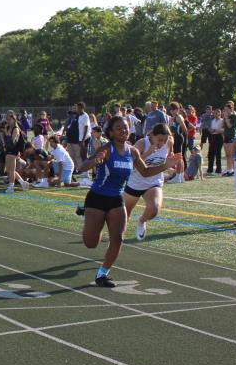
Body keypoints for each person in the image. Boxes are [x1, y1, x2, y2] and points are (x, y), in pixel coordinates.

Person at [73, 116, 181, 287]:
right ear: (110, 132)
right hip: (97, 198)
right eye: (119, 128)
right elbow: (82, 167)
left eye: (125, 127)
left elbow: (145, 172)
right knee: (91, 243)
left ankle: (102, 274)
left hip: (117, 198)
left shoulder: (133, 151)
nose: (123, 130)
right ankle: (87, 214)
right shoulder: (106, 149)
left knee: (117, 239)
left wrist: (166, 165)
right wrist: (94, 160)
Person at [123, 123, 173, 241]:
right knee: (124, 215)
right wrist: (148, 153)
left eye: (164, 140)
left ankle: (141, 221)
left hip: (154, 182)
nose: (162, 143)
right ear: (152, 135)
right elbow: (130, 164)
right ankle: (117, 238)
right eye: (159, 140)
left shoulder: (169, 142)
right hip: (135, 183)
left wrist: (171, 165)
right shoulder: (141, 143)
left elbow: (168, 157)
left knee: (154, 209)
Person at [0, 112, 30, 193]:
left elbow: (13, 142)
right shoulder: (9, 128)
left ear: (14, 119)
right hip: (8, 150)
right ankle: (23, 183)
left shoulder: (16, 129)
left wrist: (6, 133)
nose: (8, 121)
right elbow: (6, 142)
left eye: (9, 119)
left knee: (11, 170)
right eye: (7, 119)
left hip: (13, 151)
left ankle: (11, 187)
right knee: (9, 170)